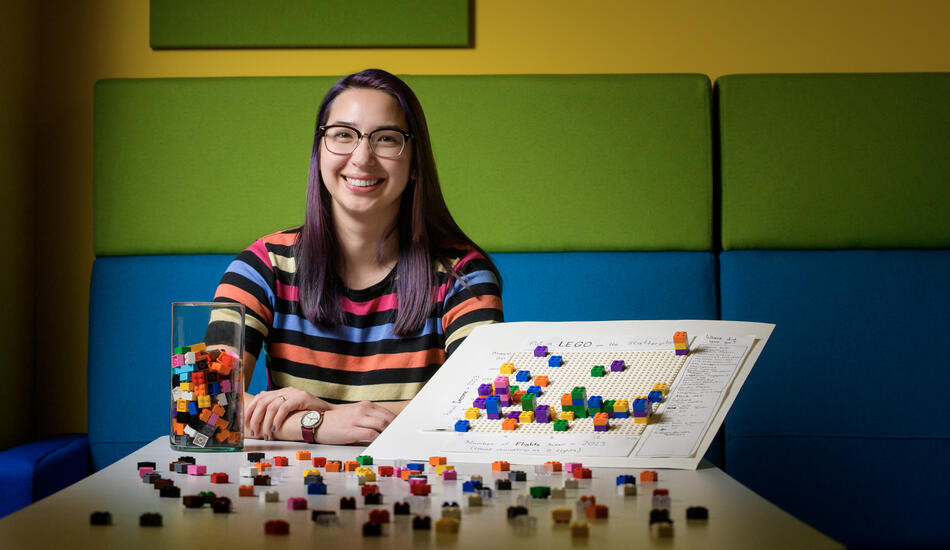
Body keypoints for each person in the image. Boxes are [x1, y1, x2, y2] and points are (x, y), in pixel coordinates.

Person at [209, 69, 503, 445]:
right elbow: (206, 404)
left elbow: (479, 408)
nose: (362, 157)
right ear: (318, 153)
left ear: (414, 163)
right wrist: (314, 424)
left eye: (386, 139)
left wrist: (330, 412)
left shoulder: (464, 275)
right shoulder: (262, 266)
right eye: (343, 135)